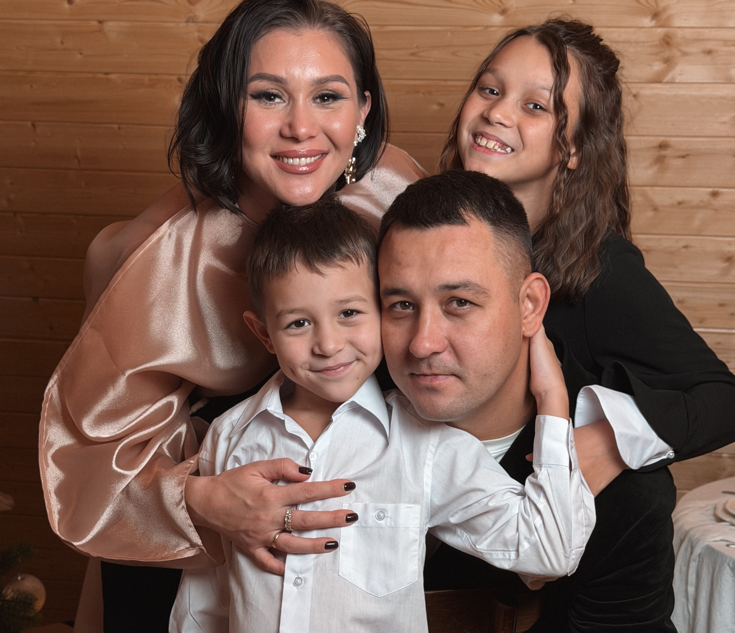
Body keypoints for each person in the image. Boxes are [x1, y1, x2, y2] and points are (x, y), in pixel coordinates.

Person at [38, 0, 423, 630]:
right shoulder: (157, 262)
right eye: (269, 96)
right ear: (225, 107)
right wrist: (204, 499)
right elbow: (89, 471)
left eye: (327, 97)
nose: (301, 128)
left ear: (362, 111)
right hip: (195, 559)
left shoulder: (394, 195)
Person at [170, 194, 595, 632]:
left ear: (382, 312)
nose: (328, 344)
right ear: (264, 334)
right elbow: (205, 600)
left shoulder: (423, 446)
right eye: (298, 323)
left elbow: (551, 551)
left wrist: (552, 398)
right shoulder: (229, 436)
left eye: (349, 313)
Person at [380, 172, 679, 631]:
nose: (422, 344)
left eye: (459, 302)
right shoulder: (341, 401)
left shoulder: (625, 500)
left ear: (530, 305)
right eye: (401, 305)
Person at [440, 18, 735, 466]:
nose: (497, 113)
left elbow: (723, 400)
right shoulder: (423, 236)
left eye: (535, 106)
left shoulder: (602, 271)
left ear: (575, 147)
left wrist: (612, 443)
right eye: (490, 89)